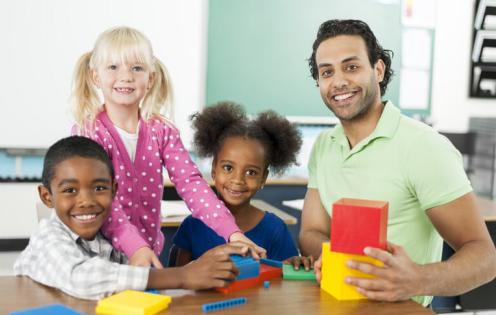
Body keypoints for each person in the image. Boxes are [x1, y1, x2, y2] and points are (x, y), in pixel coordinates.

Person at [298, 19, 496, 315]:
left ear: (378, 69)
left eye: (351, 66)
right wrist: (340, 261)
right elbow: (311, 231)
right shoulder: (324, 146)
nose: (338, 81)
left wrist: (417, 279)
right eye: (327, 72)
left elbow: (485, 257)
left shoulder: (424, 146)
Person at [69, 26, 264, 268]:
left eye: (136, 68)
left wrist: (232, 233)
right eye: (113, 67)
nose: (126, 76)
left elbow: (192, 184)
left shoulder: (162, 131)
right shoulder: (89, 132)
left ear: (150, 78)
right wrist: (134, 246)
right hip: (98, 256)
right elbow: (99, 198)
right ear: (95, 76)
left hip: (147, 254)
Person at [13, 136, 251, 300]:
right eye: (70, 190)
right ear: (47, 197)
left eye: (99, 188)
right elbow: (82, 278)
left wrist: (197, 267)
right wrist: (183, 276)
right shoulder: (47, 238)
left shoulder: (106, 238)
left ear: (114, 190)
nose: (86, 201)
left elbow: (129, 280)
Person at [172, 102, 312, 268]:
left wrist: (294, 266)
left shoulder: (275, 229)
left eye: (251, 172)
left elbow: (286, 278)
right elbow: (177, 278)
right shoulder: (192, 226)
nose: (238, 180)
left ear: (263, 178)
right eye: (228, 168)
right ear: (214, 169)